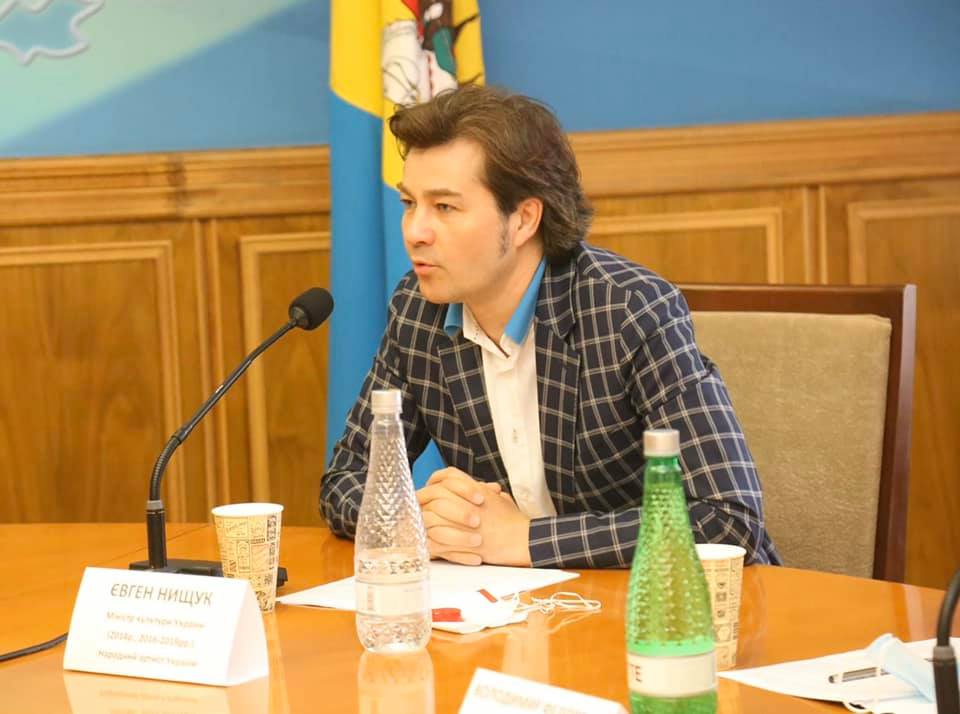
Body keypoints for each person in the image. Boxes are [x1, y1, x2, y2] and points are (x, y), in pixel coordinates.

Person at [321, 84, 780, 569]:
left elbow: (727, 517)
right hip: (517, 605)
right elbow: (346, 480)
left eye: (445, 207)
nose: (415, 231)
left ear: (524, 219)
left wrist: (527, 540)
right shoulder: (418, 312)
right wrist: (428, 522)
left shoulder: (627, 310)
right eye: (409, 203)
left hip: (667, 602)